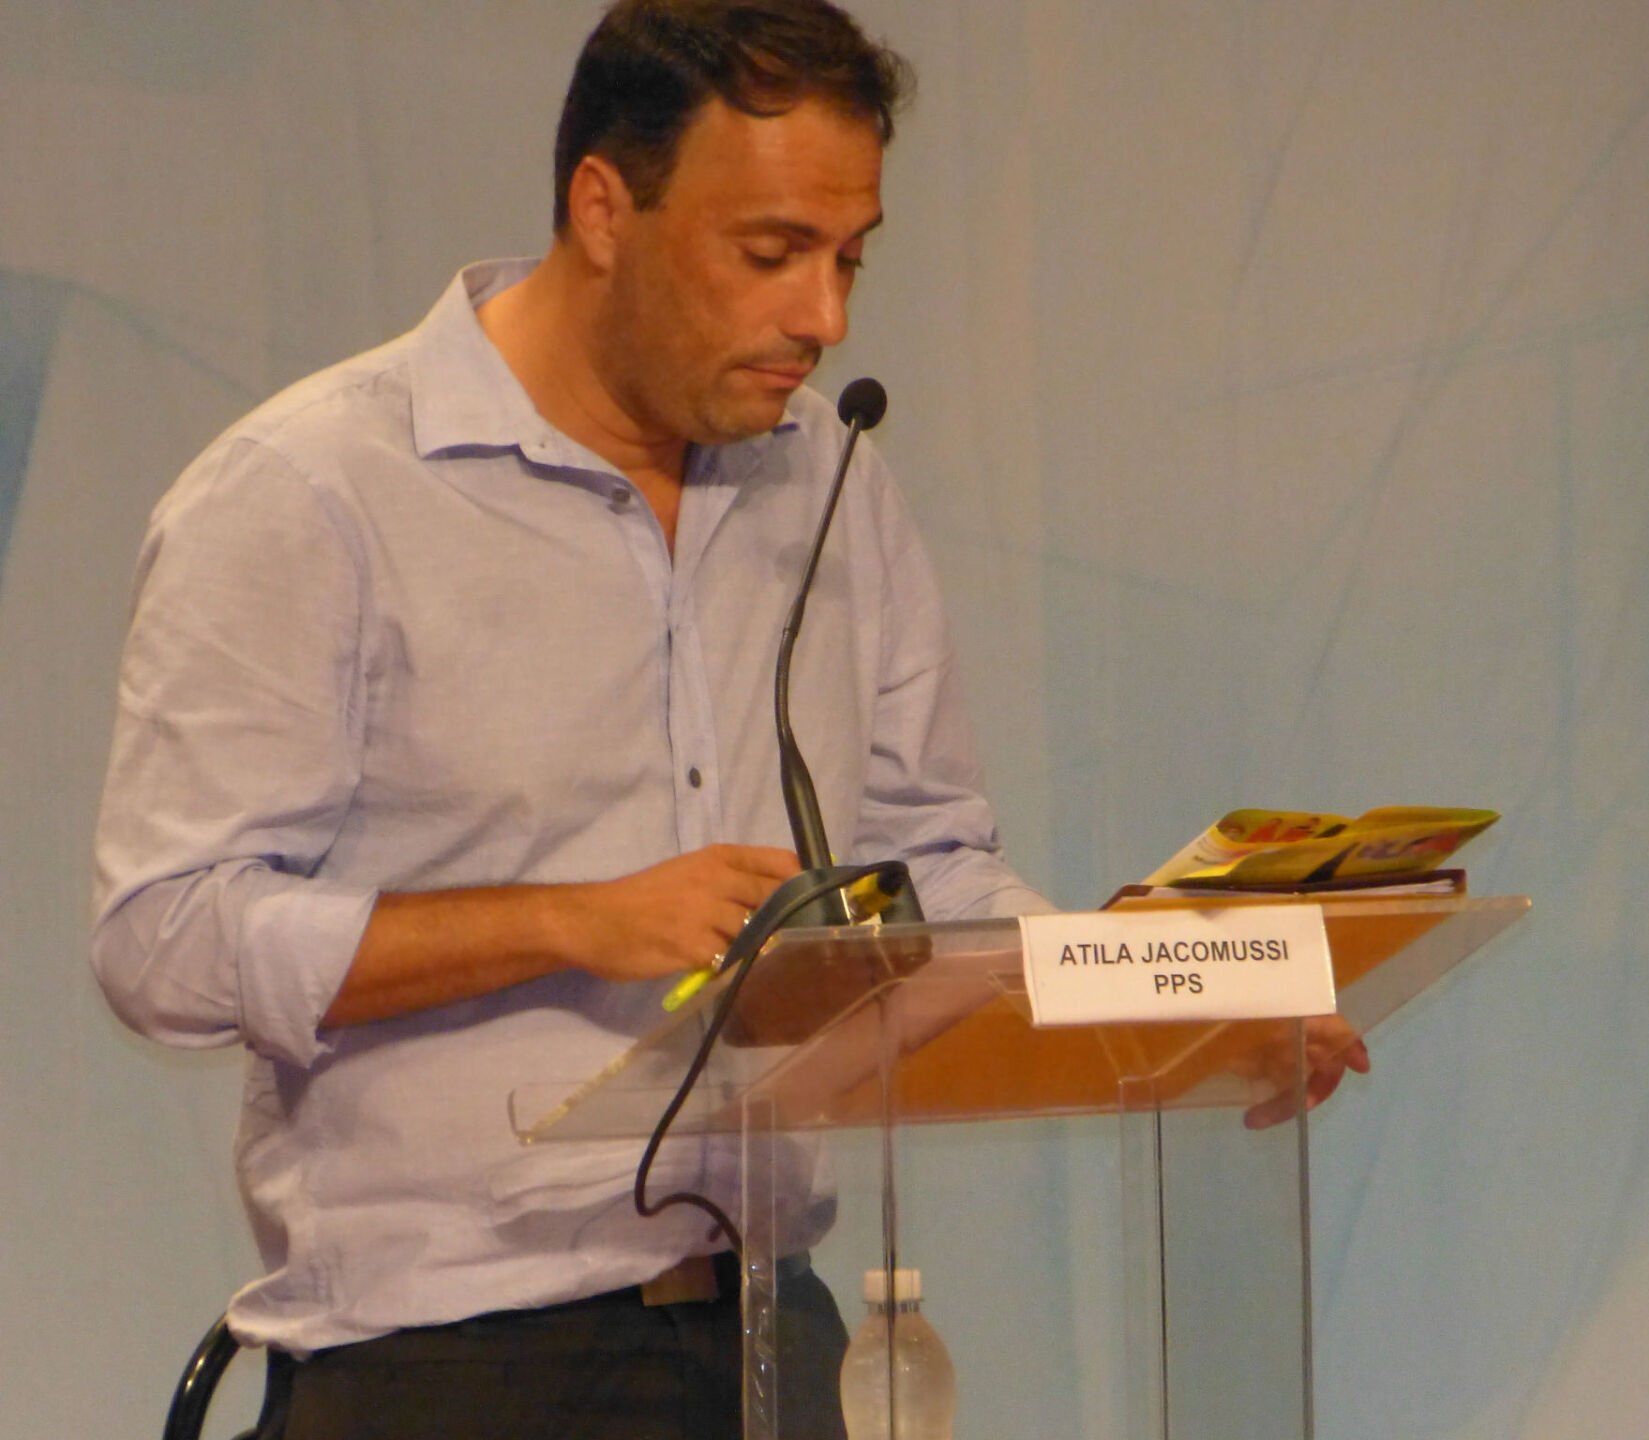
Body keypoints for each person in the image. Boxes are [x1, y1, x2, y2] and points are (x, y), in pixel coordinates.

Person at [91, 3, 1366, 1435]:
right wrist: (570, 920)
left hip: (771, 1327)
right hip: (449, 1363)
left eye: (850, 257)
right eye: (771, 254)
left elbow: (927, 866)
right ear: (603, 209)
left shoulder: (827, 474)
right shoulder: (313, 492)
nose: (824, 318)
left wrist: (1171, 996)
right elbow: (165, 941)